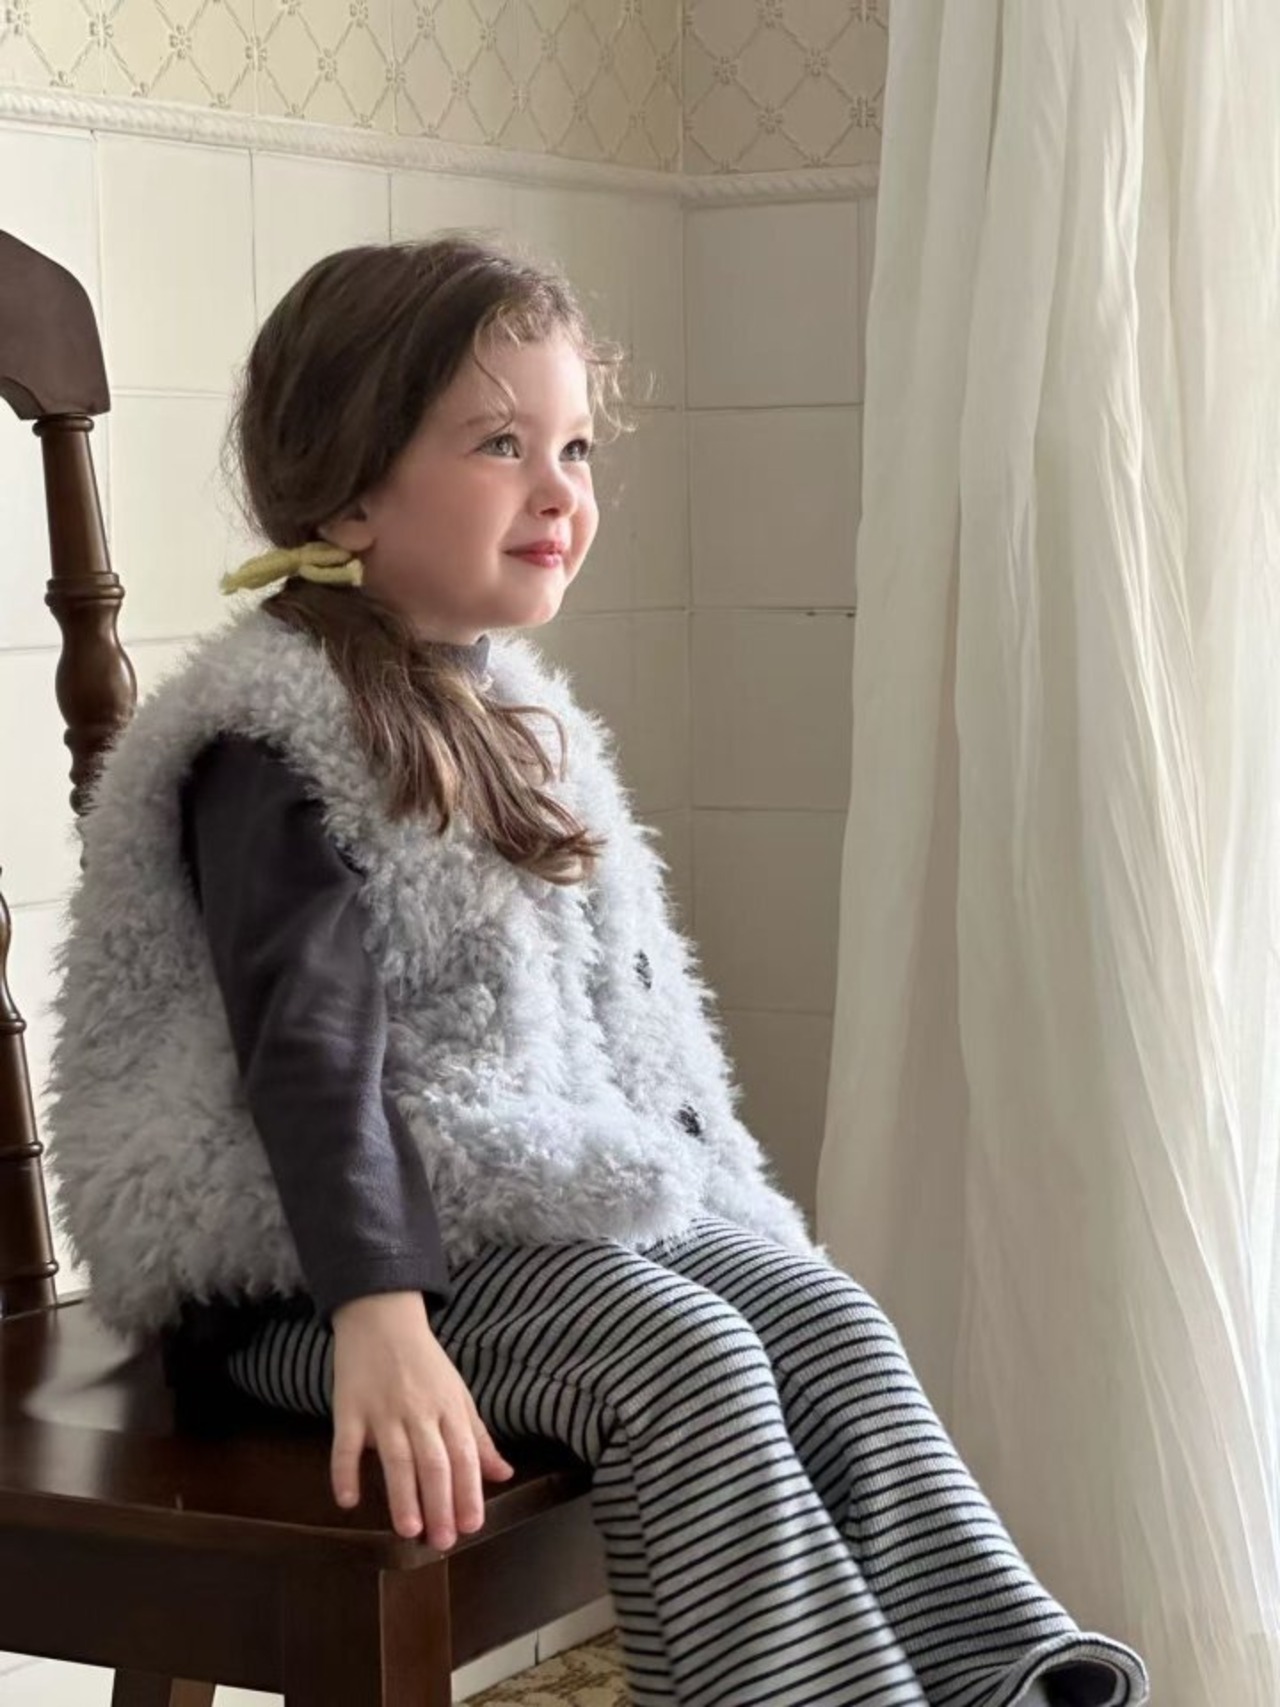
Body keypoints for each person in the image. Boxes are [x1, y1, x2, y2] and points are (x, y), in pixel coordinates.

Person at [43, 235, 1148, 1707]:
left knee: (825, 1318)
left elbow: (614, 1027)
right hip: (303, 1279)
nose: (561, 490)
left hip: (501, 1221)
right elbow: (306, 1058)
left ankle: (1007, 1677)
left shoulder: (503, 712)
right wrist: (379, 1315)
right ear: (350, 491)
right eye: (502, 446)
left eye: (573, 446)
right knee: (681, 1357)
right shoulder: (270, 740)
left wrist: (711, 1204)